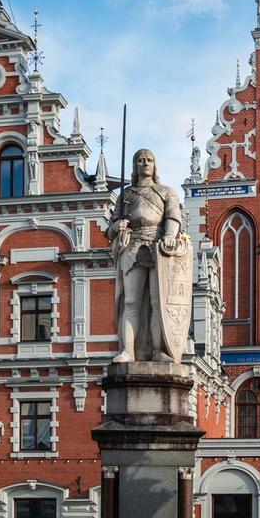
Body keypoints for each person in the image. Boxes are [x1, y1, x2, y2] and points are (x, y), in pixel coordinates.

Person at [109, 149, 188, 362]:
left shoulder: (166, 191)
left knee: (158, 302)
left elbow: (173, 217)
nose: (145, 163)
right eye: (140, 160)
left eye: (149, 160)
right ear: (134, 166)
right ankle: (128, 350)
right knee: (131, 301)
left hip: (158, 247)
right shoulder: (126, 195)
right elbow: (110, 229)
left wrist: (170, 235)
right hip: (133, 246)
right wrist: (117, 226)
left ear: (154, 165)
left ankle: (158, 350)